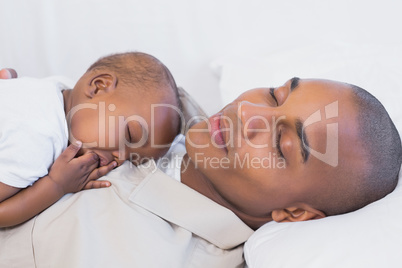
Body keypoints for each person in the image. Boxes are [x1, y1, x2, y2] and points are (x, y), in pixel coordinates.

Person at [0, 76, 401, 267]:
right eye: (274, 95)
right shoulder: (162, 103)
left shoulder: (153, 257)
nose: (247, 112)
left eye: (282, 143)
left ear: (295, 213)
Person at [0, 52, 181, 228]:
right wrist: (56, 185)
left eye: (133, 159)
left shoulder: (56, 87)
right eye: (129, 136)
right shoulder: (38, 139)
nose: (121, 157)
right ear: (98, 86)